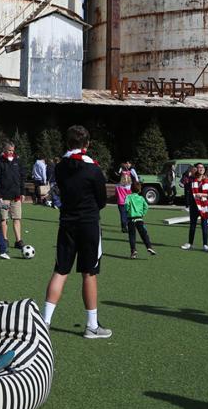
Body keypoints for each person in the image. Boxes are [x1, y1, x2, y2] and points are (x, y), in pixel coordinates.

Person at [43, 125, 111, 339]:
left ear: (67, 143)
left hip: (67, 222)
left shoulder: (60, 167)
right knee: (89, 272)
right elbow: (101, 200)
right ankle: (91, 325)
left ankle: (44, 323)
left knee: (60, 270)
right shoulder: (93, 168)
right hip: (89, 223)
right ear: (87, 144)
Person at [0, 141, 25, 248]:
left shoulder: (18, 161)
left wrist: (22, 193)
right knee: (4, 219)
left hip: (16, 196)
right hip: (4, 196)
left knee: (17, 219)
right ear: (5, 150)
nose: (11, 152)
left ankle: (18, 241)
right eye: (9, 150)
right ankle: (5, 240)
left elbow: (22, 178)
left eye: (12, 150)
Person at [182, 163, 208, 251]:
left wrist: (202, 194)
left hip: (204, 205)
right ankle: (190, 243)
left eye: (202, 167)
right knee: (192, 225)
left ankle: (205, 244)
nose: (201, 169)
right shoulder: (192, 179)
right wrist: (188, 176)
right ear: (196, 169)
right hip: (194, 205)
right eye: (199, 167)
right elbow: (185, 186)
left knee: (204, 225)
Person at [125, 180, 155, 258]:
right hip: (139, 219)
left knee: (132, 235)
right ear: (140, 190)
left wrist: (128, 211)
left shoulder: (128, 197)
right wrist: (142, 214)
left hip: (131, 219)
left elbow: (126, 205)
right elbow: (146, 207)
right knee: (144, 234)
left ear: (131, 189)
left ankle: (133, 251)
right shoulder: (141, 198)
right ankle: (149, 247)